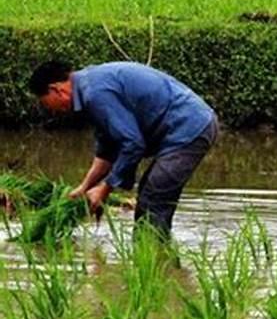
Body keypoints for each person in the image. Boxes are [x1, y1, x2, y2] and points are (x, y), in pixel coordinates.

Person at [29, 60, 218, 239]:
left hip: (189, 127)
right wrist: (84, 188)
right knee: (149, 195)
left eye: (46, 103)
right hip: (183, 127)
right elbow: (107, 149)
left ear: (56, 89)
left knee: (153, 199)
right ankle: (157, 256)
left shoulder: (95, 93)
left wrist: (104, 189)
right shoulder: (90, 88)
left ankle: (155, 258)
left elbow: (132, 144)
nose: (51, 110)